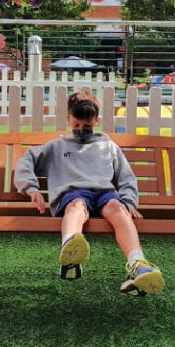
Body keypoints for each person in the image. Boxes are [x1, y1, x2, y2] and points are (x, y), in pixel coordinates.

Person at [14, 90, 165, 296]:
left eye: (87, 126)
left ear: (96, 121)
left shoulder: (108, 145)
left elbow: (125, 177)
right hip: (74, 195)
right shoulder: (57, 147)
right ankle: (70, 252)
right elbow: (26, 160)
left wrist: (129, 202)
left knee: (118, 209)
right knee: (77, 206)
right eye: (76, 125)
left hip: (104, 195)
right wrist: (31, 188)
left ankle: (137, 264)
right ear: (68, 119)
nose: (81, 130)